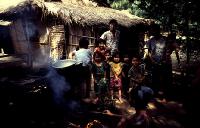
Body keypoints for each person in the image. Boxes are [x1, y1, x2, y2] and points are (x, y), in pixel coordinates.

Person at [117, 55, 154, 128]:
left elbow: (144, 74)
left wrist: (142, 79)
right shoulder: (131, 69)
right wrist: (137, 81)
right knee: (139, 94)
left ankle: (142, 105)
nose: (135, 62)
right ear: (132, 61)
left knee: (149, 91)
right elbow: (130, 77)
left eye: (137, 60)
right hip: (134, 86)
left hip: (141, 86)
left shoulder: (141, 67)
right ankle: (138, 106)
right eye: (134, 60)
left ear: (139, 61)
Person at [143, 23, 168, 97]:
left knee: (163, 78)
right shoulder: (151, 40)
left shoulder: (164, 39)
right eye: (153, 31)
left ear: (159, 31)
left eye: (155, 30)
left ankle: (163, 93)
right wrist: (151, 59)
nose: (154, 32)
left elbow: (167, 50)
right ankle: (155, 93)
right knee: (154, 78)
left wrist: (164, 59)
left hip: (163, 62)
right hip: (153, 62)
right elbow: (146, 49)